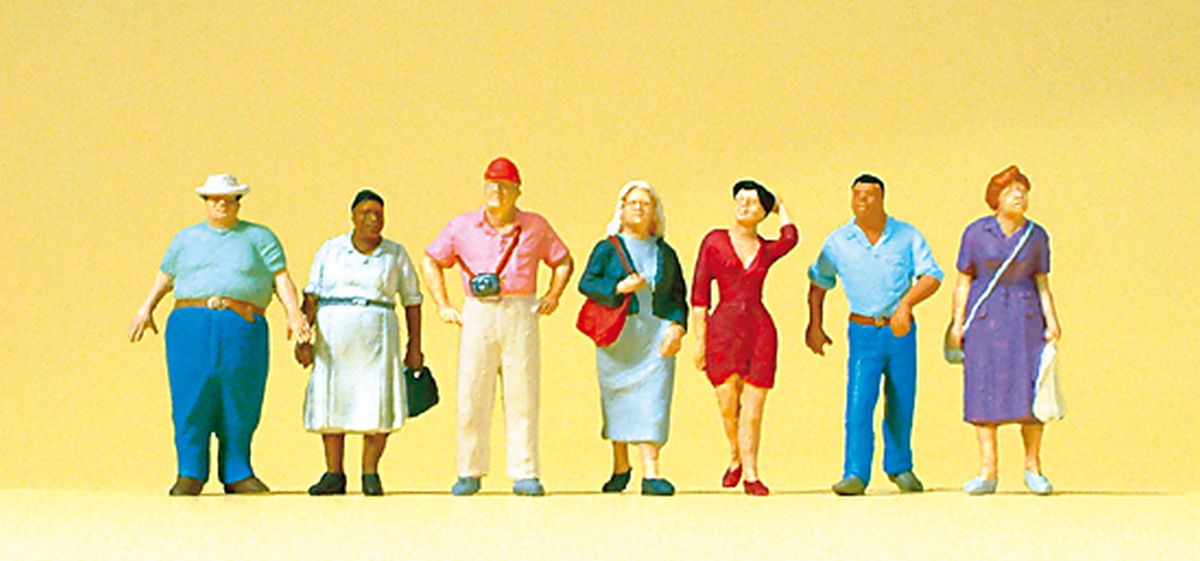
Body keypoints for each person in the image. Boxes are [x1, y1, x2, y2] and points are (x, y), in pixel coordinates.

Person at [129, 173, 311, 496]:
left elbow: (281, 278)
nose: (221, 205)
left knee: (241, 396)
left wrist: (294, 313)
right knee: (190, 397)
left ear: (238, 203)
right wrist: (146, 308)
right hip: (190, 326)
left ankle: (238, 470)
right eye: (215, 199)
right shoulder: (185, 239)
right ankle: (190, 471)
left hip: (242, 326)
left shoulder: (260, 238)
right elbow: (165, 277)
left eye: (228, 199)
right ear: (205, 202)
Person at [422, 157, 573, 497]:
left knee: (523, 394)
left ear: (517, 191)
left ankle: (525, 471)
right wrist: (443, 304)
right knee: (472, 392)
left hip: (520, 310)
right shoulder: (461, 226)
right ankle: (469, 470)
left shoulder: (535, 226)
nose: (498, 192)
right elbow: (431, 259)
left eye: (505, 186)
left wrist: (553, 295)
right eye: (492, 185)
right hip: (478, 311)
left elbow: (563, 260)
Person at [806, 173, 942, 496]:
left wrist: (906, 304)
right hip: (863, 332)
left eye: (869, 194)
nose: (861, 200)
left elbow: (931, 275)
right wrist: (815, 325)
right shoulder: (838, 242)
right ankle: (855, 472)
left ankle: (900, 466)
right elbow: (819, 282)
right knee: (859, 401)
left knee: (902, 399)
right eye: (856, 194)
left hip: (900, 333)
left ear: (882, 198)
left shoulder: (906, 236)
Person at [295, 189, 425, 496]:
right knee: (332, 401)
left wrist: (414, 346)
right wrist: (304, 338)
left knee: (377, 402)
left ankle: (370, 472)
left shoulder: (395, 254)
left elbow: (412, 301)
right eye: (366, 213)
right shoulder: (331, 250)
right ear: (352, 216)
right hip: (333, 339)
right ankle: (333, 473)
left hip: (378, 337)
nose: (373, 219)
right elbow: (311, 296)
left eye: (378, 214)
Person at [949, 165, 1061, 495]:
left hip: (1025, 321)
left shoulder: (1036, 236)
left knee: (1031, 392)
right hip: (985, 321)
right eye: (1011, 191)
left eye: (1022, 191)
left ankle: (1033, 467)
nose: (1018, 196)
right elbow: (963, 280)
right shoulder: (975, 233)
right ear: (995, 197)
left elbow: (1042, 283)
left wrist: (1052, 320)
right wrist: (957, 321)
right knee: (983, 393)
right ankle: (988, 470)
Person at [578, 181, 687, 496]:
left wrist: (677, 326)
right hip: (619, 338)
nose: (639, 208)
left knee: (654, 400)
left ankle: (651, 472)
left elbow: (678, 294)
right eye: (633, 202)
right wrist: (617, 288)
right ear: (622, 209)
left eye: (646, 203)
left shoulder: (665, 252)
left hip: (656, 335)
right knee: (618, 401)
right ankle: (620, 465)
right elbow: (587, 283)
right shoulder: (607, 248)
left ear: (655, 212)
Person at [691, 179, 798, 496]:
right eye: (740, 199)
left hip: (758, 329)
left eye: (752, 202)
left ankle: (751, 471)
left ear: (762, 212)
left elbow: (791, 238)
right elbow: (699, 296)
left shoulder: (765, 249)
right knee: (728, 404)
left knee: (753, 409)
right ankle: (735, 456)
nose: (743, 205)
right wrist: (700, 340)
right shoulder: (714, 241)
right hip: (723, 329)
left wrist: (781, 206)